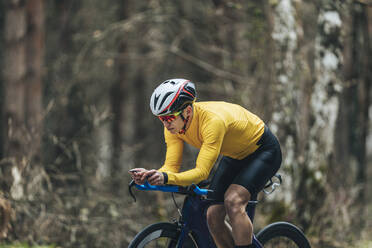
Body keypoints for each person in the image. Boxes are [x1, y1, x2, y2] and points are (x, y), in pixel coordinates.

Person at [129, 78, 282, 248]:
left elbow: (202, 172)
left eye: (170, 117)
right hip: (235, 155)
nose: (166, 123)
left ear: (187, 111)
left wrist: (164, 177)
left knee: (233, 201)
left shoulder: (212, 122)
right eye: (161, 118)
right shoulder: (173, 128)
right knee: (212, 215)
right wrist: (152, 175)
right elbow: (170, 168)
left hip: (264, 151)